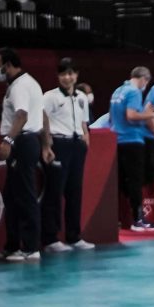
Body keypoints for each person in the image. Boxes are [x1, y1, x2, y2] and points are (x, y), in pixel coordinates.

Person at [0, 48, 44, 261]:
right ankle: (13, 245)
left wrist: (8, 140)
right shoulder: (22, 83)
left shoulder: (20, 86)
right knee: (11, 196)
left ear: (8, 65)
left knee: (25, 195)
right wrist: (47, 144)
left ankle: (31, 248)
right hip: (26, 141)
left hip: (22, 142)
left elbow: (22, 115)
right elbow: (41, 115)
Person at [40, 58, 95, 252]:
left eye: (70, 73)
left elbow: (83, 121)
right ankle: (50, 238)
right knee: (54, 191)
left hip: (77, 144)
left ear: (76, 75)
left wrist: (85, 136)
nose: (67, 77)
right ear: (58, 76)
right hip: (59, 144)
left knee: (75, 191)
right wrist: (47, 144)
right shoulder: (50, 97)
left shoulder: (82, 97)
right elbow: (42, 120)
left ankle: (74, 236)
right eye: (63, 74)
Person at [110, 66, 154, 231]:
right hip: (132, 140)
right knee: (135, 181)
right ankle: (138, 220)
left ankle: (121, 218)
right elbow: (131, 116)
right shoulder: (134, 92)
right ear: (144, 79)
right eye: (146, 82)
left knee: (122, 182)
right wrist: (153, 114)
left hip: (117, 140)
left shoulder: (118, 91)